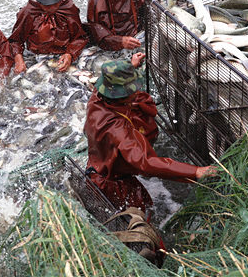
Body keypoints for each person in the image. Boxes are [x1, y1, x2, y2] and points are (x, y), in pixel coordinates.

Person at [84, 54, 217, 215]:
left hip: (97, 165)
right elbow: (145, 163)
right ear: (121, 96)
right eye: (132, 89)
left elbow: (110, 79)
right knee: (138, 220)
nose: (137, 90)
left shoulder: (98, 98)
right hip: (113, 183)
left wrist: (130, 67)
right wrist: (195, 171)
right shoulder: (117, 129)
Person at [9, 0, 89, 74]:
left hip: (64, 54)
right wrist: (19, 59)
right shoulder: (28, 13)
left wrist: (70, 54)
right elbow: (15, 40)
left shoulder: (68, 8)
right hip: (36, 56)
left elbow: (80, 37)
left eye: (56, 2)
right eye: (48, 5)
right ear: (39, 1)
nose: (53, 7)